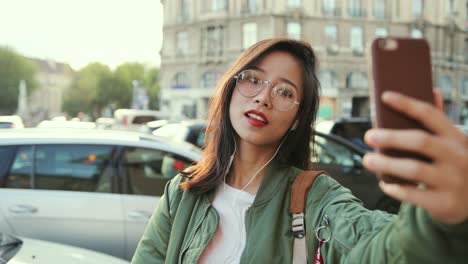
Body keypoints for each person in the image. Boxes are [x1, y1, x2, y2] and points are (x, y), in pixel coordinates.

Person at [131, 38, 468, 263]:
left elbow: (376, 247)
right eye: (253, 79)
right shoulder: (182, 194)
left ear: (296, 120)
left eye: (285, 92)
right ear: (230, 89)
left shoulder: (315, 198)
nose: (263, 97)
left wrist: (438, 221)